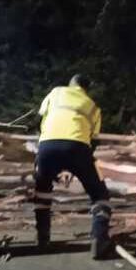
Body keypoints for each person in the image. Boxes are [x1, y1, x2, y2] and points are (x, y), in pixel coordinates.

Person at [34, 74, 113, 259]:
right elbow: (93, 141)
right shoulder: (93, 106)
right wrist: (77, 164)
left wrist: (47, 151)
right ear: (86, 89)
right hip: (78, 147)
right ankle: (99, 239)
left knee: (42, 191)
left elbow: (40, 121)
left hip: (47, 146)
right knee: (100, 194)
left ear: (72, 84)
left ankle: (42, 238)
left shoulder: (56, 93)